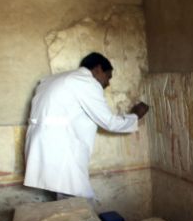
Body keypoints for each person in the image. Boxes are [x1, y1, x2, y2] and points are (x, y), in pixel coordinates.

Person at [23, 52, 149, 200]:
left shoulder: (53, 80)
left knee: (67, 199)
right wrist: (135, 115)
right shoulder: (86, 82)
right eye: (108, 77)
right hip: (60, 148)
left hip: (42, 146)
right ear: (98, 69)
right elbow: (108, 122)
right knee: (79, 202)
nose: (107, 84)